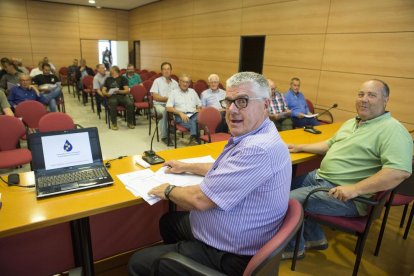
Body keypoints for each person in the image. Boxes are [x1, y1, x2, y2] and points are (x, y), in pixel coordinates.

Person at [128, 71, 292, 276]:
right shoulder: (259, 134)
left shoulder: (257, 149)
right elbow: (227, 171)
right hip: (233, 234)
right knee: (168, 222)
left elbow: (200, 200)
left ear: (266, 105)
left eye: (242, 101)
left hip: (230, 253)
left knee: (137, 262)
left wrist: (167, 190)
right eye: (229, 101)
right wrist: (187, 166)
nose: (231, 110)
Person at [282, 79, 413, 259]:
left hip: (345, 195)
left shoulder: (393, 130)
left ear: (385, 100)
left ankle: (293, 248)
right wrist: (301, 147)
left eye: (371, 95)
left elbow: (399, 172)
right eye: (361, 94)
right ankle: (315, 237)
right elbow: (330, 144)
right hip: (320, 178)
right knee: (279, 188)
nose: (364, 99)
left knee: (285, 202)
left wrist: (354, 189)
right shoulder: (353, 122)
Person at [166, 74, 201, 145]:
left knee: (197, 119)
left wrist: (198, 109)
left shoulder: (193, 92)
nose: (185, 84)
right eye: (183, 81)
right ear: (179, 82)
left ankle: (193, 137)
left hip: (193, 114)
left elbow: (199, 104)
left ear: (190, 83)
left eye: (187, 82)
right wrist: (180, 113)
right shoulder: (174, 93)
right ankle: (195, 138)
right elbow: (168, 108)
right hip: (180, 115)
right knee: (195, 122)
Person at [150, 62, 179, 145]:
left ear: (171, 71)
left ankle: (173, 128)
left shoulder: (175, 83)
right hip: (158, 105)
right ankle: (164, 136)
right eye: (164, 69)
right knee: (164, 111)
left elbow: (178, 96)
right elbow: (155, 97)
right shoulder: (157, 81)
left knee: (183, 108)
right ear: (162, 71)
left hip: (171, 105)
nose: (166, 71)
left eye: (168, 69)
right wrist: (168, 99)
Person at [102, 66, 134, 130]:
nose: (109, 71)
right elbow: (103, 89)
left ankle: (130, 122)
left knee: (130, 103)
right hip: (112, 96)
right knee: (113, 103)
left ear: (114, 71)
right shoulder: (108, 79)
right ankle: (114, 124)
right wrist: (106, 94)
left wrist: (119, 91)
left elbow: (127, 90)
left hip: (121, 95)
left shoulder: (123, 78)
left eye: (111, 70)